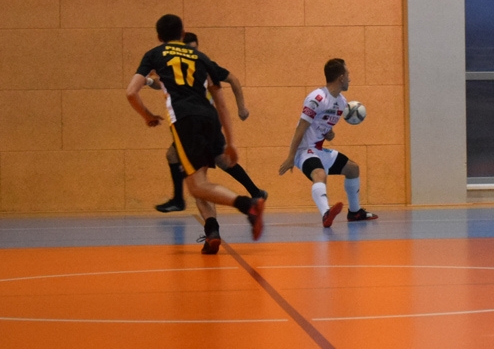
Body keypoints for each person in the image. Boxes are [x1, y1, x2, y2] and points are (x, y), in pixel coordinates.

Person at [126, 14, 265, 253]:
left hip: (184, 121)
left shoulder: (154, 54)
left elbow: (131, 92)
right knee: (198, 179)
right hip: (210, 120)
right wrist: (231, 142)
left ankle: (249, 205)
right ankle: (212, 230)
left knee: (196, 186)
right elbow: (221, 102)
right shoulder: (201, 57)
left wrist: (148, 116)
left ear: (159, 36)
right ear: (182, 34)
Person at [148, 32, 267, 213]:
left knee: (205, 166)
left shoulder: (204, 65)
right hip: (193, 122)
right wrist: (149, 81)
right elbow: (162, 82)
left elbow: (233, 79)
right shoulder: (177, 68)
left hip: (204, 121)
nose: (191, 52)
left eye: (194, 48)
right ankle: (255, 192)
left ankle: (181, 200)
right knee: (216, 160)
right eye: (188, 48)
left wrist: (241, 107)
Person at [278, 58, 378, 227]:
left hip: (319, 149)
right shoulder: (316, 98)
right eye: (348, 74)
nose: (349, 78)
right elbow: (300, 129)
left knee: (353, 169)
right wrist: (290, 157)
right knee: (320, 175)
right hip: (304, 150)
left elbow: (323, 124)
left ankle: (355, 212)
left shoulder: (342, 102)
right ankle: (326, 214)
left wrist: (329, 133)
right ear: (340, 77)